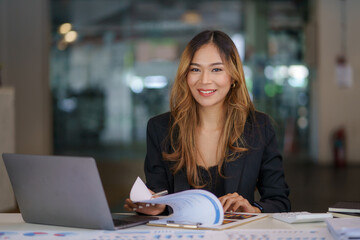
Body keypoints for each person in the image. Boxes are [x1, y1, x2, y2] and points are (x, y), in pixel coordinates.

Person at [124, 30, 290, 215]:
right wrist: (154, 207)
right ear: (185, 75)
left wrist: (253, 209)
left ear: (233, 76)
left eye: (216, 69)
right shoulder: (160, 129)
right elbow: (158, 197)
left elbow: (279, 201)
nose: (204, 80)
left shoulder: (258, 127)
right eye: (195, 69)